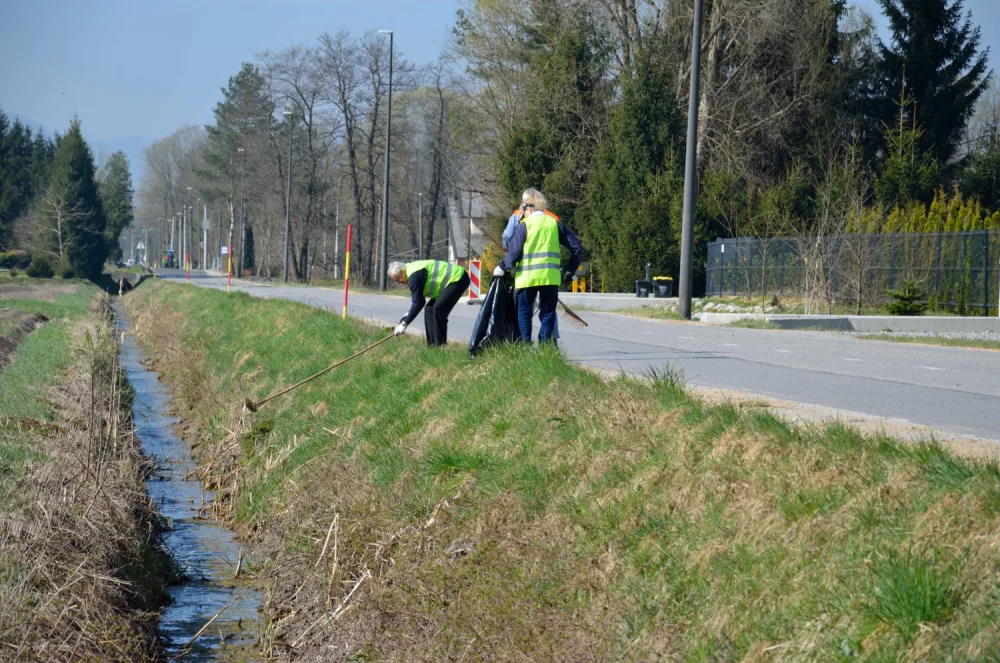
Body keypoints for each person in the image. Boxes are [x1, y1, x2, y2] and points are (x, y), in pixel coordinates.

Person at [495, 188, 583, 344]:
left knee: (524, 312)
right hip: (550, 278)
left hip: (528, 278)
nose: (521, 211)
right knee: (548, 312)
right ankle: (544, 345)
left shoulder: (525, 225)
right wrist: (570, 269)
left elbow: (514, 252)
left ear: (530, 207)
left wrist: (503, 267)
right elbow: (577, 247)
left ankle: (526, 345)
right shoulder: (554, 224)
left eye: (523, 207)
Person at [388, 259, 470, 347]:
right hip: (449, 283)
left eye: (398, 279)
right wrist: (406, 317)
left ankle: (440, 346)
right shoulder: (411, 271)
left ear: (401, 271)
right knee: (429, 309)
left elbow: (418, 303)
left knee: (438, 309)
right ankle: (431, 346)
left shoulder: (414, 277)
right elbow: (420, 301)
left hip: (458, 278)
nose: (399, 282)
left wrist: (405, 323)